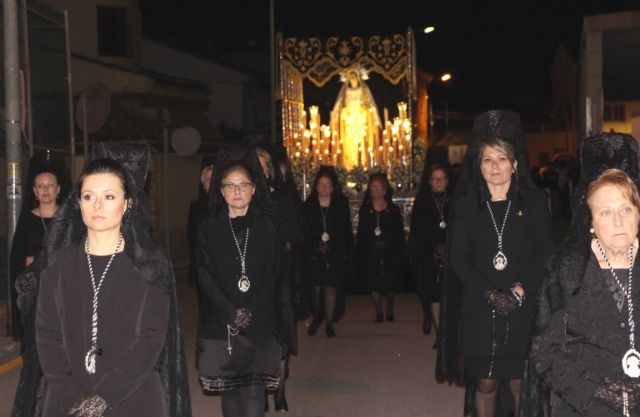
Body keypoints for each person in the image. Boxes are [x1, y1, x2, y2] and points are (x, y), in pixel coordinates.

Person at [20, 144, 191, 417]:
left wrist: (104, 396)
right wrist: (73, 395)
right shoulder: (58, 266)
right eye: (89, 196)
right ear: (78, 203)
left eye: (109, 196)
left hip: (134, 399)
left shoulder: (151, 265)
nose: (97, 205)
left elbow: (152, 338)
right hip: (67, 402)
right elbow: (47, 334)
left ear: (128, 203)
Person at [438, 110, 552, 417]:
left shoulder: (536, 202)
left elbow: (544, 253)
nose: (495, 166)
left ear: (515, 165)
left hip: (522, 306)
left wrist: (519, 291)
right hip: (480, 305)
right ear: (479, 166)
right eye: (488, 159)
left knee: (518, 383)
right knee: (486, 383)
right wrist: (491, 294)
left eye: (502, 159)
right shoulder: (465, 206)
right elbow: (459, 259)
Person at [522, 132, 640, 417]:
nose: (618, 220)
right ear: (590, 220)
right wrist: (599, 389)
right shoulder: (567, 271)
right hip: (585, 406)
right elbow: (544, 352)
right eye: (605, 212)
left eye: (626, 208)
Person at [196, 148, 294, 417]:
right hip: (222, 318)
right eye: (230, 185)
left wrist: (249, 307)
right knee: (229, 389)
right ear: (221, 190)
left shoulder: (267, 224)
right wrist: (230, 310)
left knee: (253, 390)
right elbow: (203, 272)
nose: (237, 191)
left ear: (254, 189)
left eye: (244, 185)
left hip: (259, 317)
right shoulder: (210, 225)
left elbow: (275, 271)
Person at [257, 146, 301, 412]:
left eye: (263, 165)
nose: (260, 169)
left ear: (270, 170)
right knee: (259, 340)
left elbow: (293, 235)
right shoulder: (243, 198)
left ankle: (280, 392)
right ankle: (260, 392)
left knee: (281, 337)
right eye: (255, 164)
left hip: (279, 277)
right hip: (252, 279)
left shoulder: (282, 198)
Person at [9, 150, 69, 339]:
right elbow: (19, 259)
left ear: (58, 189)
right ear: (34, 191)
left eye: (50, 185)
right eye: (40, 186)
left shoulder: (68, 220)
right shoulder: (27, 220)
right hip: (36, 294)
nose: (45, 190)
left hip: (64, 292)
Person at [303, 165, 353, 337]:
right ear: (316, 186)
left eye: (328, 184)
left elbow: (345, 229)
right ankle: (317, 317)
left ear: (333, 187)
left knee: (331, 288)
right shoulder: (308, 205)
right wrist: (317, 244)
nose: (324, 187)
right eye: (321, 184)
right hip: (314, 253)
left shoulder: (341, 203)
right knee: (316, 288)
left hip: (335, 252)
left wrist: (338, 247)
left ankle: (329, 324)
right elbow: (305, 230)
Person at [356, 173, 406, 322]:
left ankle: (390, 304)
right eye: (373, 188)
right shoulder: (365, 210)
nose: (376, 191)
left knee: (391, 284)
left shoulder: (393, 210)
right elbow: (362, 232)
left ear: (385, 190)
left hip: (390, 251)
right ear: (370, 190)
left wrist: (387, 243)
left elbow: (398, 232)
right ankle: (378, 309)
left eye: (379, 188)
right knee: (373, 283)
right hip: (371, 252)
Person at [409, 163, 451, 340]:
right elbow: (417, 230)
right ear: (430, 182)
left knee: (448, 296)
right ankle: (439, 335)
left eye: (442, 178)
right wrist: (431, 250)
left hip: (452, 254)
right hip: (429, 255)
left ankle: (447, 332)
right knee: (433, 294)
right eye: (435, 179)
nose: (439, 182)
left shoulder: (455, 200)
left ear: (447, 181)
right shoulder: (422, 201)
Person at [330, 66, 382, 169]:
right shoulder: (346, 91)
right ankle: (349, 165)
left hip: (361, 121)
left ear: (358, 77)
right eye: (351, 76)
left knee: (363, 143)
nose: (353, 78)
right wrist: (334, 119)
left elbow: (371, 104)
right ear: (348, 79)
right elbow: (339, 105)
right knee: (349, 145)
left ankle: (363, 164)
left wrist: (376, 119)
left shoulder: (364, 90)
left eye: (354, 76)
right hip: (349, 122)